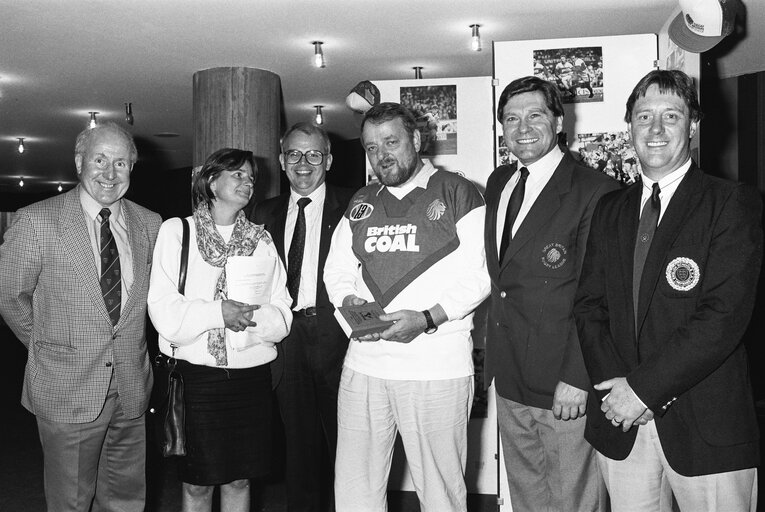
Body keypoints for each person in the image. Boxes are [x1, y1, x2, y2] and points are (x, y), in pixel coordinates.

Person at [574, 69, 762, 511]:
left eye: (671, 116)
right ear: (630, 128)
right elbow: (588, 307)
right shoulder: (609, 208)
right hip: (621, 423)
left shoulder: (731, 204)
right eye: (644, 117)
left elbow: (722, 317)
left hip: (704, 424)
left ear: (693, 127)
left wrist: (641, 391)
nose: (655, 130)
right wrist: (617, 393)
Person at [324, 102, 490, 512]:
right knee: (354, 490)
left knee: (440, 492)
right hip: (364, 366)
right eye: (371, 147)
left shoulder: (457, 190)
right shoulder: (361, 200)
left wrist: (427, 319)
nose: (381, 154)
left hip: (436, 368)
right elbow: (337, 270)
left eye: (391, 142)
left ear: (416, 140)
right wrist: (349, 300)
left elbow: (482, 275)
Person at [0, 122, 162, 511]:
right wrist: (50, 346)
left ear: (131, 169)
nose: (109, 173)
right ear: (79, 162)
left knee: (125, 500)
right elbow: (10, 297)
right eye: (100, 160)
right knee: (70, 502)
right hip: (65, 387)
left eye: (120, 163)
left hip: (130, 386)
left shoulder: (151, 224)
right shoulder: (35, 221)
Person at [484, 76, 619, 512]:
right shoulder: (499, 181)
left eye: (535, 115)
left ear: (559, 121)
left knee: (572, 498)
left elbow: (598, 295)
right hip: (508, 375)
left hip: (563, 381)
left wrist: (578, 378)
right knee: (526, 494)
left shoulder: (595, 190)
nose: (522, 127)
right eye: (511, 118)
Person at [147, 148, 292, 512]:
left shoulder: (262, 240)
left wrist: (251, 317)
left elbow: (282, 310)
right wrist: (218, 313)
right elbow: (163, 310)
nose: (248, 183)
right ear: (211, 181)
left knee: (240, 479)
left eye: (251, 177)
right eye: (238, 175)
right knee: (197, 484)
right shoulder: (178, 232)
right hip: (198, 381)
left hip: (250, 378)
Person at [250, 122, 355, 512]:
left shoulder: (356, 205)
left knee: (352, 448)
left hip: (339, 338)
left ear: (328, 160)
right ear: (281, 159)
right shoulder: (262, 212)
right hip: (286, 340)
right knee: (299, 449)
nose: (304, 163)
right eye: (294, 154)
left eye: (314, 154)